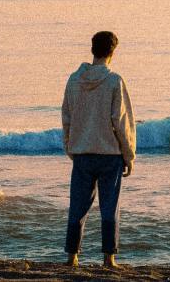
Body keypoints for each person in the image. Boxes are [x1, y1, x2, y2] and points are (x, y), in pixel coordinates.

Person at [61, 30, 136, 267]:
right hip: (109, 154)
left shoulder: (74, 80)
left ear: (92, 49)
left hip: (82, 153)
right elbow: (121, 121)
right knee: (109, 207)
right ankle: (109, 258)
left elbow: (67, 118)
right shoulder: (114, 81)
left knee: (78, 207)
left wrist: (70, 147)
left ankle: (72, 256)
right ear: (112, 52)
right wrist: (129, 154)